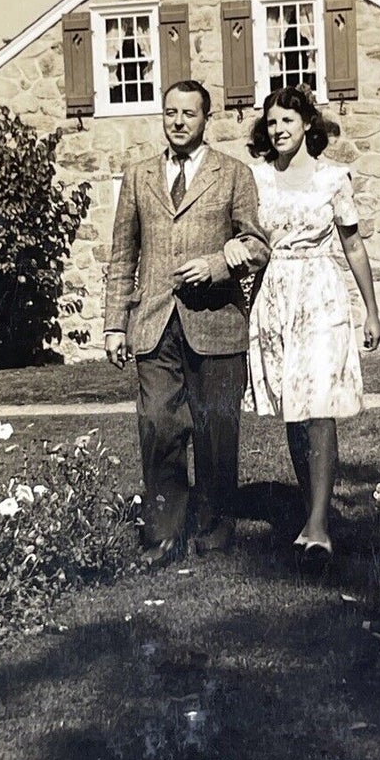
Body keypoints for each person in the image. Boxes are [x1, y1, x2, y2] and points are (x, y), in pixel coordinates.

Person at [104, 79, 269, 564]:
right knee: (158, 425)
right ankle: (162, 536)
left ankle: (215, 531)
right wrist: (116, 323)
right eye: (170, 112)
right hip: (155, 321)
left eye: (188, 114)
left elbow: (257, 245)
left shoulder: (233, 174)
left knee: (216, 430)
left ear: (206, 119)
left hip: (216, 321)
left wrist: (219, 263)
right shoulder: (138, 176)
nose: (178, 122)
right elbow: (121, 256)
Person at [224, 86, 380, 555]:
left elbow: (353, 245)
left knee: (319, 403)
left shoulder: (333, 178)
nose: (278, 130)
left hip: (320, 294)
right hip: (274, 296)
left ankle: (317, 525)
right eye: (271, 123)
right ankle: (313, 508)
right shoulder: (257, 179)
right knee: (293, 407)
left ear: (307, 125)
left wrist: (371, 310)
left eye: (287, 121)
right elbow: (246, 237)